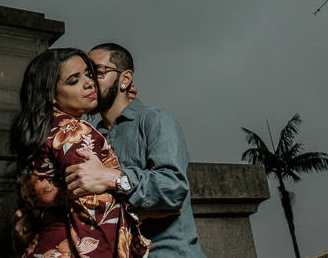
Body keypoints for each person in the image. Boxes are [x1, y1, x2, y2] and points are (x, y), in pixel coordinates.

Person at [16, 43, 205, 258]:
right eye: (81, 76)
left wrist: (113, 177)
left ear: (125, 79)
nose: (91, 81)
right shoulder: (86, 135)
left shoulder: (154, 120)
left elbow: (174, 188)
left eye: (96, 72)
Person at [9, 48, 150, 258]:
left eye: (89, 74)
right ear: (51, 96)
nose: (89, 83)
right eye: (73, 80)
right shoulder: (74, 132)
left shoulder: (37, 138)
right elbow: (96, 213)